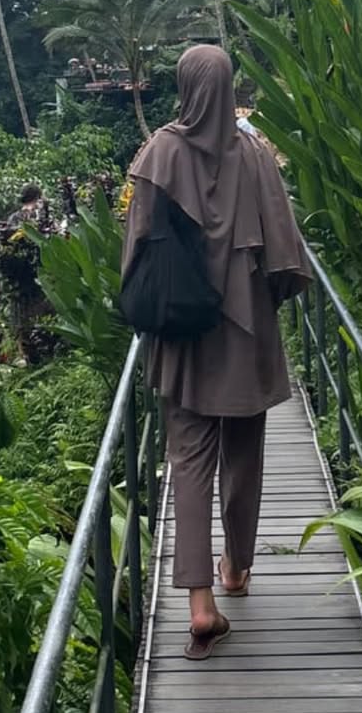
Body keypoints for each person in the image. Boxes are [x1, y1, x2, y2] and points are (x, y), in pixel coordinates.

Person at [121, 44, 310, 661]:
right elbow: (285, 254)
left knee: (188, 463)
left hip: (184, 338)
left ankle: (200, 604)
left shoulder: (160, 152)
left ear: (183, 85)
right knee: (244, 456)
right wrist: (258, 300)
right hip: (246, 334)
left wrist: (157, 314)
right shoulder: (254, 154)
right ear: (228, 88)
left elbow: (136, 253)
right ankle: (236, 567)